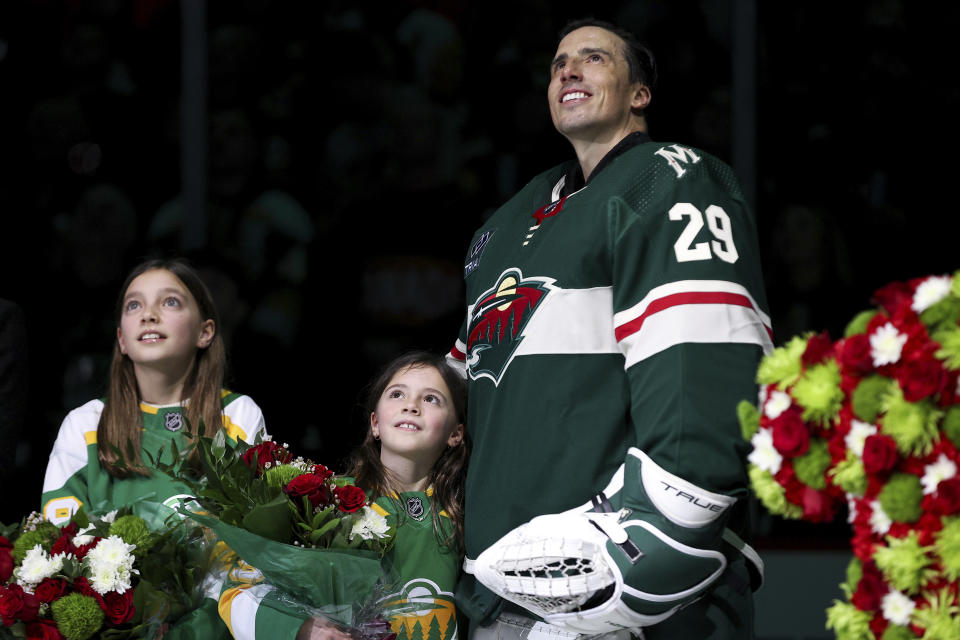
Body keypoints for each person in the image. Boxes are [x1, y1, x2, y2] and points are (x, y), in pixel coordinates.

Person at [446, 18, 772, 640]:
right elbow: (468, 386)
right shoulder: (501, 226)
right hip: (494, 587)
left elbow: (705, 374)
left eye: (592, 59)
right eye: (557, 63)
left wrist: (660, 540)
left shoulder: (669, 178)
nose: (567, 70)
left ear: (639, 94)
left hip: (625, 589)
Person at [217, 351, 469, 640]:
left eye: (431, 399)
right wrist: (301, 629)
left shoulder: (467, 514)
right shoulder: (322, 501)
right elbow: (239, 586)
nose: (411, 406)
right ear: (375, 423)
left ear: (456, 433)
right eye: (397, 394)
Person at [41, 257, 267, 528]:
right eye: (134, 305)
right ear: (122, 339)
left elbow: (255, 535)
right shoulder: (85, 423)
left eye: (170, 302)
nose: (148, 315)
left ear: (204, 332)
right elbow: (61, 540)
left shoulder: (237, 412)